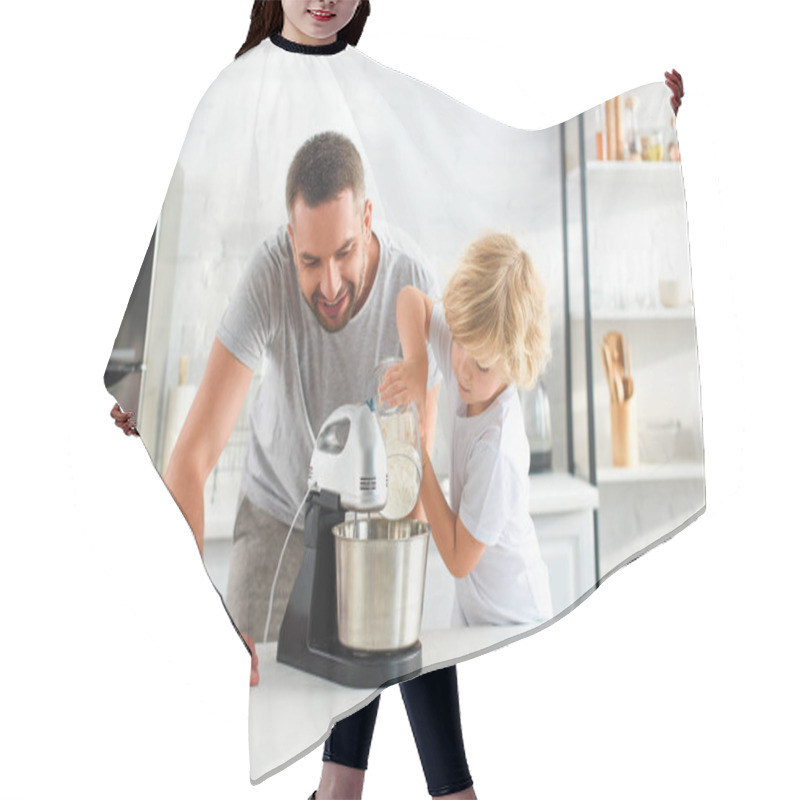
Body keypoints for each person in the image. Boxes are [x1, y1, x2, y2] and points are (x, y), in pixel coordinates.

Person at [380, 233, 553, 628]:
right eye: (458, 343)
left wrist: (416, 454)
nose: (462, 369)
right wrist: (417, 365)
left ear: (514, 362)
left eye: (483, 364)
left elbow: (458, 559)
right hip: (477, 612)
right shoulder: (472, 351)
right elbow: (411, 299)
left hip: (514, 622)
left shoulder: (497, 449)